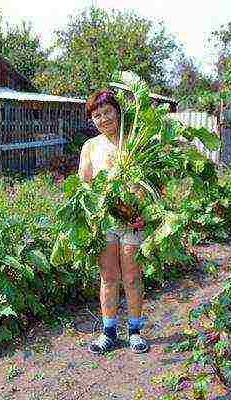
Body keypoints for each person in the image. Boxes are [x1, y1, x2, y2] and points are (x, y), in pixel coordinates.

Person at [78, 89, 149, 354]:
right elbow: (84, 185)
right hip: (105, 220)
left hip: (133, 219)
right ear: (92, 121)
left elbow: (152, 180)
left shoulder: (135, 141)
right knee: (108, 277)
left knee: (132, 277)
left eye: (107, 112)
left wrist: (145, 211)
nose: (103, 118)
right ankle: (108, 332)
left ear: (117, 112)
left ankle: (135, 331)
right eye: (97, 115)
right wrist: (90, 217)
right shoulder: (91, 147)